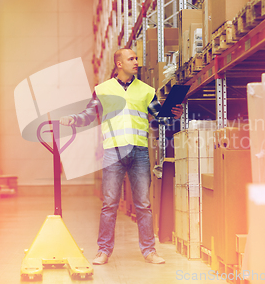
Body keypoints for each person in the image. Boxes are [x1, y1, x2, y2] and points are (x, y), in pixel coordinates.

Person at [59, 48, 183, 265]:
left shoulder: (146, 90)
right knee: (109, 204)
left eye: (136, 58)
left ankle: (149, 251)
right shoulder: (103, 90)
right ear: (119, 64)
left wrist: (173, 115)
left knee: (143, 204)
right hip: (113, 152)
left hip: (139, 152)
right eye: (131, 59)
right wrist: (72, 119)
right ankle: (103, 251)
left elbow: (161, 119)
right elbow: (89, 114)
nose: (136, 62)